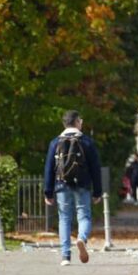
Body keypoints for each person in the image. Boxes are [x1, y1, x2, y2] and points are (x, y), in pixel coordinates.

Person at [43, 110, 102, 266]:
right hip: (82, 184)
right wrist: (97, 192)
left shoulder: (55, 142)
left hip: (61, 184)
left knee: (64, 219)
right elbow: (95, 168)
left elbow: (49, 167)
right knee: (84, 216)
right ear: (76, 122)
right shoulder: (87, 142)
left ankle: (65, 256)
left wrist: (48, 191)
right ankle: (81, 238)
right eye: (80, 120)